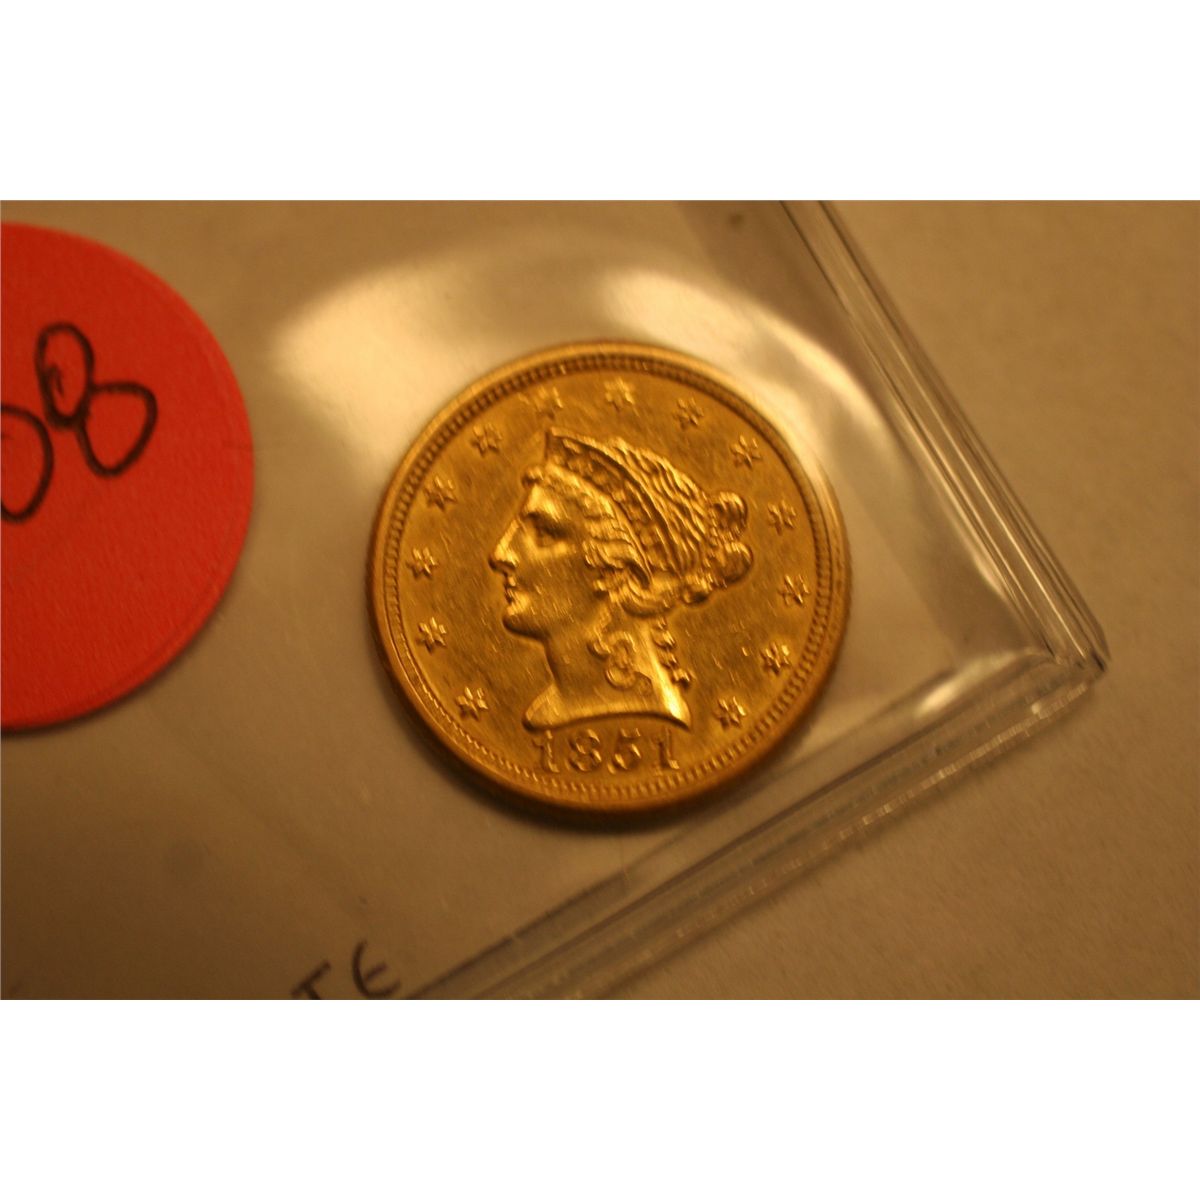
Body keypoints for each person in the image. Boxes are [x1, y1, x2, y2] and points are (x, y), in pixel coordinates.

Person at [489, 428, 752, 729]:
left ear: (616, 570)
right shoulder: (545, 712)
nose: (501, 554)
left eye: (544, 533)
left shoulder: (652, 713)